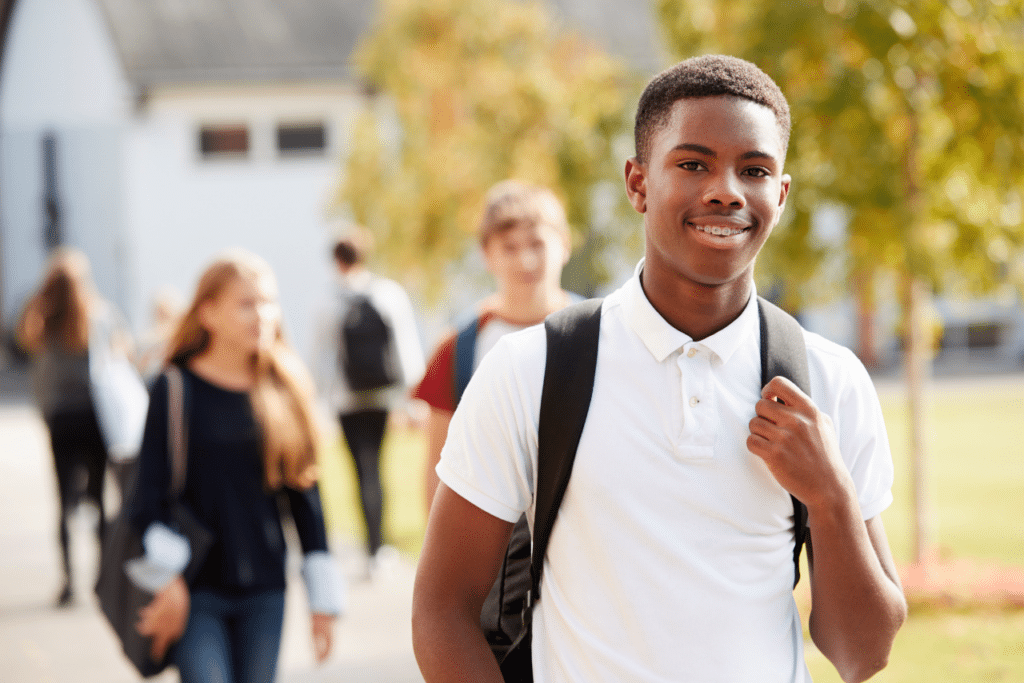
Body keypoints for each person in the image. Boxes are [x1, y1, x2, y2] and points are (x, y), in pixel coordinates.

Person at [411, 55, 907, 683]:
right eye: (693, 163)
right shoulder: (530, 370)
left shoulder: (828, 380)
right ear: (638, 184)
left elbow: (862, 655)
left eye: (753, 170)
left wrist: (832, 497)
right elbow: (441, 609)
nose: (726, 188)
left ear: (779, 196)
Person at [129, 249, 344, 683]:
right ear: (207, 313)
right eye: (247, 303)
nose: (263, 314)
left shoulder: (283, 389)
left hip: (267, 592)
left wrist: (322, 601)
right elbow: (147, 497)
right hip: (195, 589)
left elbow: (307, 501)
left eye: (269, 302)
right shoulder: (173, 388)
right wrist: (167, 579)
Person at [413, 179, 576, 512]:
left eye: (537, 244)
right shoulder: (459, 347)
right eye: (510, 247)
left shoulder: (602, 333)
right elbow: (438, 464)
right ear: (486, 255)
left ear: (565, 245)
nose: (526, 260)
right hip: (496, 538)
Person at [16, 247, 136, 607]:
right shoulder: (100, 314)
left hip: (61, 417)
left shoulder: (42, 318)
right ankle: (102, 578)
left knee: (64, 499)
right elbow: (123, 349)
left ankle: (69, 581)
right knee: (100, 499)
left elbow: (23, 341)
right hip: (95, 416)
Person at [312, 229, 425, 565]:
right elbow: (406, 348)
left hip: (346, 399)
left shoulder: (327, 301)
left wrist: (318, 402)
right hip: (381, 396)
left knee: (359, 470)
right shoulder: (388, 294)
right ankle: (380, 548)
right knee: (378, 466)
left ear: (336, 260)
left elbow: (321, 356)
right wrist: (411, 398)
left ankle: (370, 547)